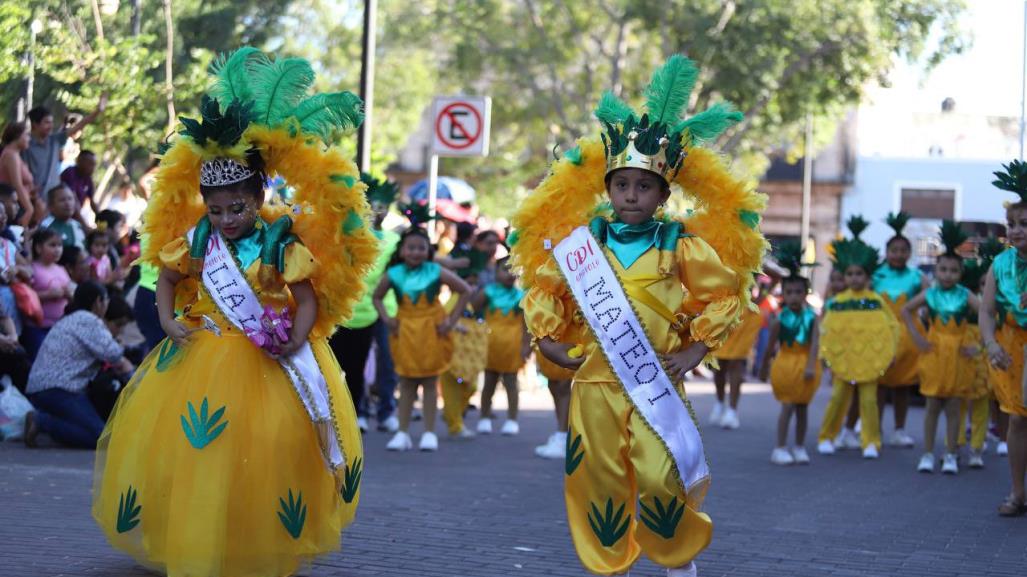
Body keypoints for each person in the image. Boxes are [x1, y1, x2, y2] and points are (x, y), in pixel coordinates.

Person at [91, 48, 374, 574]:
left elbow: (307, 297)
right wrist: (170, 319)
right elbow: (170, 279)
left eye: (236, 207)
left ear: (259, 194)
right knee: (196, 448)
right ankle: (199, 534)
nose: (225, 218)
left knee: (270, 449)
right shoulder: (199, 239)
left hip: (269, 356)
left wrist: (298, 336)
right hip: (203, 352)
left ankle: (255, 536)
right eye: (216, 209)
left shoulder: (279, 239)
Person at [516, 55, 765, 577]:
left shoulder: (680, 244)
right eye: (622, 184)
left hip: (652, 382)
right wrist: (545, 338)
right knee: (597, 482)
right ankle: (611, 565)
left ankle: (676, 559)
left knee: (659, 475)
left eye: (644, 186)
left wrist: (697, 347)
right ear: (607, 190)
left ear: (663, 194)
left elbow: (726, 297)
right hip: (595, 382)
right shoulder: (584, 245)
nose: (632, 195)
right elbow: (544, 289)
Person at [375, 226, 472, 452]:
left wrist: (450, 320)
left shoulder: (435, 271)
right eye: (411, 248)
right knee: (407, 383)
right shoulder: (393, 274)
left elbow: (465, 290)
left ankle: (429, 432)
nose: (416, 252)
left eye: (421, 248)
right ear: (402, 251)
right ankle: (402, 432)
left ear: (428, 250)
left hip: (432, 330)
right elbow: (377, 297)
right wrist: (387, 319)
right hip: (406, 331)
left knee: (430, 381)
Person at [816, 216, 900, 459]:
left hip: (870, 363)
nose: (854, 278)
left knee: (869, 402)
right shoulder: (837, 303)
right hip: (843, 363)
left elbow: (891, 326)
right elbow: (827, 331)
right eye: (850, 273)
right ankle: (826, 436)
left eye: (859, 273)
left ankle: (871, 441)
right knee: (837, 399)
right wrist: (825, 354)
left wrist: (890, 352)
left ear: (867, 276)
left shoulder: (875, 301)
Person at [903, 221, 979, 474]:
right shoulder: (930, 294)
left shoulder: (966, 295)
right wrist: (917, 336)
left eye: (953, 271)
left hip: (958, 355)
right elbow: (906, 310)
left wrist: (978, 346)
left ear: (961, 272)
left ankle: (950, 453)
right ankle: (926, 453)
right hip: (934, 353)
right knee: (932, 406)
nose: (947, 274)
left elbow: (989, 315)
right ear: (936, 270)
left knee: (954, 407)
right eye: (943, 269)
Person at [329, 173, 401, 433]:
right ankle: (355, 410)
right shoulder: (350, 236)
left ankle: (386, 411)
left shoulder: (395, 240)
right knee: (346, 364)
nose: (378, 211)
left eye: (384, 207)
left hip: (384, 309)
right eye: (374, 205)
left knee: (387, 362)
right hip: (350, 310)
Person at [22, 282, 131, 448]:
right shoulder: (89, 320)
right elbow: (113, 353)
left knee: (88, 428)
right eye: (106, 300)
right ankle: (41, 422)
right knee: (98, 437)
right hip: (60, 388)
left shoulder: (70, 319)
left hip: (43, 387)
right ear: (98, 302)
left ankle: (47, 422)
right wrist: (121, 346)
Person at [980, 159, 1027, 516]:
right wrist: (991, 343)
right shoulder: (999, 264)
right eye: (1011, 224)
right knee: (1017, 419)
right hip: (1013, 346)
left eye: (1024, 224)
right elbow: (986, 311)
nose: (1015, 231)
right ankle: (1017, 492)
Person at [760, 242, 821, 466]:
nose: (794, 296)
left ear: (806, 293)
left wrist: (811, 366)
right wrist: (764, 368)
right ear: (783, 294)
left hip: (805, 363)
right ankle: (780, 446)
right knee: (787, 405)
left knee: (803, 407)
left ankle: (799, 445)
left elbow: (815, 343)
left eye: (798, 292)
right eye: (789, 292)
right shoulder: (779, 318)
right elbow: (770, 347)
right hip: (785, 363)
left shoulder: (812, 317)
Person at [873, 212, 927, 448]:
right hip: (881, 334)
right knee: (879, 385)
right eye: (894, 250)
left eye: (903, 250)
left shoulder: (917, 276)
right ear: (887, 252)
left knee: (903, 386)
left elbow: (932, 296)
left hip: (908, 335)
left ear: (909, 253)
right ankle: (874, 429)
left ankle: (899, 429)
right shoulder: (875, 275)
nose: (898, 254)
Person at [474, 257, 529, 436]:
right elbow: (473, 307)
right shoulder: (488, 292)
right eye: (505, 269)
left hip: (512, 344)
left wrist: (526, 346)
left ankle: (512, 419)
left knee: (511, 383)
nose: (509, 273)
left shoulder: (521, 296)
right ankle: (484, 417)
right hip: (491, 344)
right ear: (496, 272)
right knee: (489, 383)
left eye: (513, 269)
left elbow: (527, 325)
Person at [22, 97, 106, 204]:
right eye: (46, 122)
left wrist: (97, 111)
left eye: (51, 122)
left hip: (52, 200)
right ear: (35, 124)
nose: (51, 126)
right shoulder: (25, 145)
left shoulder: (54, 140)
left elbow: (79, 126)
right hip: (31, 199)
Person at [709, 291, 761, 430]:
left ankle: (732, 411)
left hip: (744, 315)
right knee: (719, 368)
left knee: (736, 364)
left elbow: (761, 284)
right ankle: (720, 402)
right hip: (724, 314)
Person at [24, 228, 72, 359]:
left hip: (60, 326)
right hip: (37, 328)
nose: (57, 249)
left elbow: (71, 293)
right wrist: (47, 295)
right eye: (52, 245)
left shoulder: (61, 269)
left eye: (60, 245)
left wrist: (69, 294)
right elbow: (24, 296)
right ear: (39, 248)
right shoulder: (32, 269)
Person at [0, 121, 35, 227]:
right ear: (17, 136)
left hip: (21, 203)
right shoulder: (11, 155)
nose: (29, 139)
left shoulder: (15, 154)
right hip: (16, 205)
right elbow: (17, 184)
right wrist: (29, 209)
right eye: (26, 135)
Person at [60, 150, 97, 224]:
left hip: (72, 217)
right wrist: (84, 225)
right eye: (90, 164)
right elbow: (73, 200)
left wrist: (101, 216)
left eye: (94, 164)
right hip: (61, 214)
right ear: (80, 161)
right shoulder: (70, 173)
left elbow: (92, 201)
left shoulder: (88, 179)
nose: (93, 167)